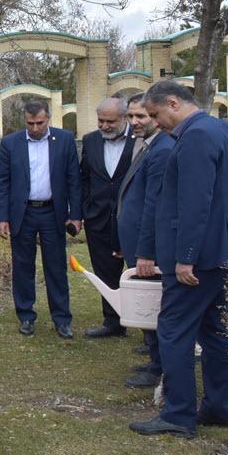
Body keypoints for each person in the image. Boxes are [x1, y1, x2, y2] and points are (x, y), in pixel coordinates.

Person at [129, 81, 228, 438]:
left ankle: (178, 415)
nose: (157, 123)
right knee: (217, 332)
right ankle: (221, 408)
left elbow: (195, 202)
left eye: (157, 115)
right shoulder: (225, 131)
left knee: (173, 331)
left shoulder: (195, 137)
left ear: (173, 103)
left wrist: (185, 258)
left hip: (200, 260)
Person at [0, 99, 82, 339]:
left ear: (48, 119)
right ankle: (26, 316)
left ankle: (62, 319)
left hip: (52, 212)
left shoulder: (64, 140)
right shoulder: (11, 143)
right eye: (30, 123)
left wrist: (75, 214)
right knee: (23, 266)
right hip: (22, 214)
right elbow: (2, 182)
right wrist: (2, 217)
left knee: (56, 267)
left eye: (39, 123)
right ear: (24, 120)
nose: (35, 128)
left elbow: (74, 179)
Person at [116, 93, 174, 389]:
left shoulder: (162, 150)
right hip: (138, 244)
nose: (135, 122)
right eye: (131, 117)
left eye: (141, 116)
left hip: (150, 249)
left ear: (155, 116)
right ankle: (155, 357)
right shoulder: (146, 146)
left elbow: (155, 205)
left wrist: (146, 252)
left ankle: (160, 368)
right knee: (148, 305)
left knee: (154, 307)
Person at [80, 97, 134, 338]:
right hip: (99, 219)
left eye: (110, 121)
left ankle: (148, 328)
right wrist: (84, 210)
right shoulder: (90, 141)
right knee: (105, 271)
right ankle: (113, 322)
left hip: (131, 220)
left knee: (140, 273)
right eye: (100, 120)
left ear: (124, 118)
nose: (104, 126)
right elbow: (84, 178)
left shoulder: (141, 140)